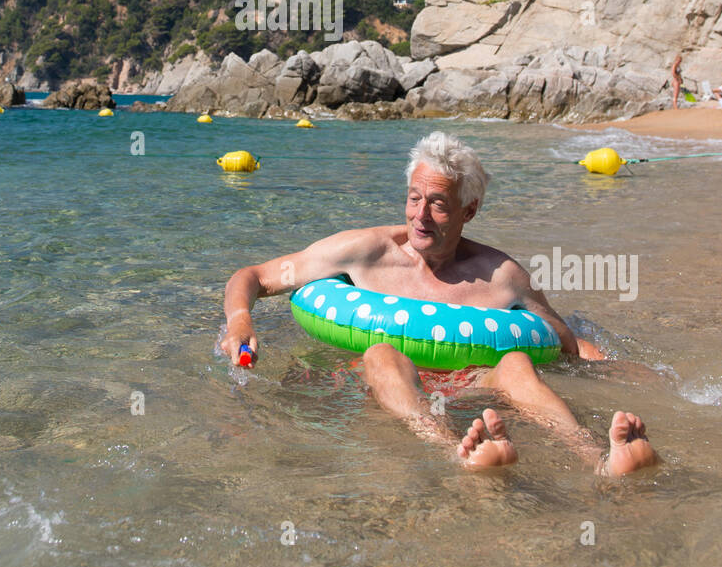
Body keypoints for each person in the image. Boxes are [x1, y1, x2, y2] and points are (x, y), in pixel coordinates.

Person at [220, 131, 658, 476]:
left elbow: (561, 340)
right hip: (388, 385)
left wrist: (638, 374)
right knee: (381, 353)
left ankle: (598, 458)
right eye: (414, 198)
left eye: (438, 205)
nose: (420, 216)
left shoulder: (501, 276)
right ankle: (457, 452)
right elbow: (254, 277)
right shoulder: (365, 252)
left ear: (468, 211)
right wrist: (241, 322)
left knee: (517, 365)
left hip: (471, 387)